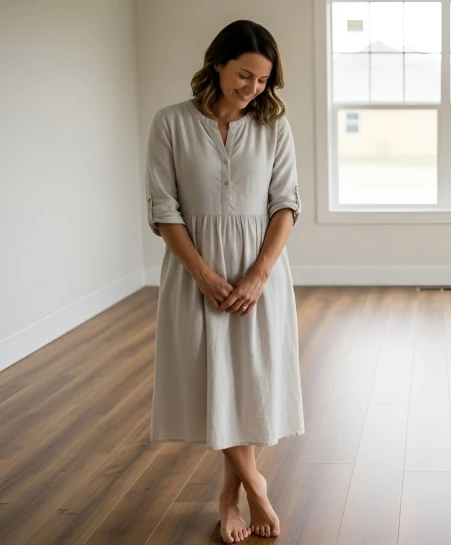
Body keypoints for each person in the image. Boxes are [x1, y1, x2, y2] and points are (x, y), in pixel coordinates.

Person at [144, 19, 303, 544]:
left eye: (263, 81)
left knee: (251, 383)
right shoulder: (170, 123)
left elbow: (286, 204)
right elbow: (164, 210)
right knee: (214, 378)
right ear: (218, 62)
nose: (253, 89)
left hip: (261, 272)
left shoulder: (273, 127)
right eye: (244, 75)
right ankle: (253, 487)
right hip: (196, 271)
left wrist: (259, 274)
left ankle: (230, 499)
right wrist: (205, 274)